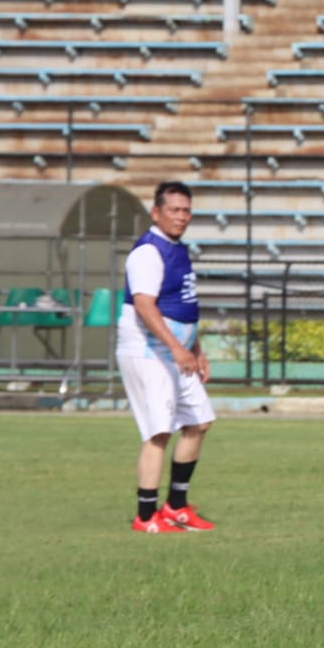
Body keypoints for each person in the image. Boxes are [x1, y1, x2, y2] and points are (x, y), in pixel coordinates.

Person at [118, 180, 216, 533]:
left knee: (199, 421)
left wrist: (195, 349)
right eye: (173, 210)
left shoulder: (178, 248)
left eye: (186, 210)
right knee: (158, 432)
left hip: (176, 352)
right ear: (156, 212)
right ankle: (145, 516)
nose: (181, 216)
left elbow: (184, 305)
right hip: (150, 352)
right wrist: (177, 348)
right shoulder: (148, 251)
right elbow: (145, 306)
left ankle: (176, 506)